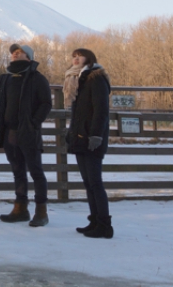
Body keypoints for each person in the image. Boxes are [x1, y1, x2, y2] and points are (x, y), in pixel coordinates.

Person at [0, 43, 52, 226]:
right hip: (9, 133)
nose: (15, 54)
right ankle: (20, 208)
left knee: (36, 171)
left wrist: (33, 123)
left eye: (20, 52)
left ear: (29, 57)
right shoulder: (6, 79)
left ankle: (41, 211)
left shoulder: (37, 78)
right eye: (14, 52)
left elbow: (46, 103)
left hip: (28, 133)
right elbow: (0, 105)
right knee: (18, 172)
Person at [65, 48, 113, 239]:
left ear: (89, 58)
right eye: (73, 57)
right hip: (80, 136)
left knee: (95, 182)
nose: (76, 59)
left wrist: (96, 135)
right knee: (88, 183)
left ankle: (104, 225)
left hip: (92, 138)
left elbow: (101, 109)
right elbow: (78, 113)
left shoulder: (96, 78)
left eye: (79, 56)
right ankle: (94, 220)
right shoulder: (78, 79)